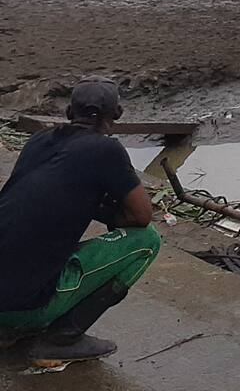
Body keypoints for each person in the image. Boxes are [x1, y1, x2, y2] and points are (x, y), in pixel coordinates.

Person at [0, 78, 160, 364]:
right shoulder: (106, 150)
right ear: (117, 115)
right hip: (20, 305)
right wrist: (110, 212)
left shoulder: (38, 141)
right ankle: (62, 338)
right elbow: (142, 215)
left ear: (68, 112)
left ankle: (9, 328)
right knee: (147, 241)